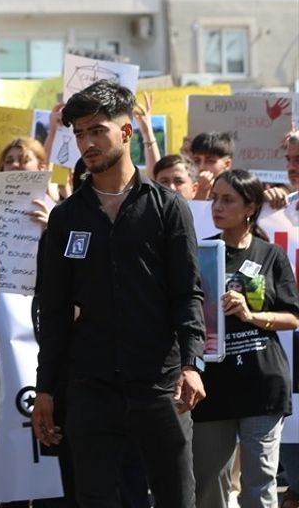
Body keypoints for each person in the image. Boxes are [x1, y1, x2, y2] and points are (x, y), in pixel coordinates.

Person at [32, 80, 205, 508]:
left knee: (175, 496)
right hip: (90, 387)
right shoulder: (66, 218)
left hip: (160, 385)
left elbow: (188, 293)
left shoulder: (167, 207)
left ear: (126, 132)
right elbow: (52, 311)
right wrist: (46, 390)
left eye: (97, 131)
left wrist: (191, 363)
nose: (87, 143)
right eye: (79, 133)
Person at [192, 169, 299, 508]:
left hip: (262, 384)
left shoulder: (270, 255)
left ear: (250, 207)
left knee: (259, 486)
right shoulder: (202, 253)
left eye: (228, 200)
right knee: (209, 486)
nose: (217, 207)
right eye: (215, 199)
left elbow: (292, 316)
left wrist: (250, 315)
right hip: (213, 387)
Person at [190, 131, 235, 200]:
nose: (201, 167)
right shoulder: (186, 190)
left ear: (227, 164)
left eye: (210, 161)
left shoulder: (237, 194)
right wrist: (201, 193)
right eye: (197, 160)